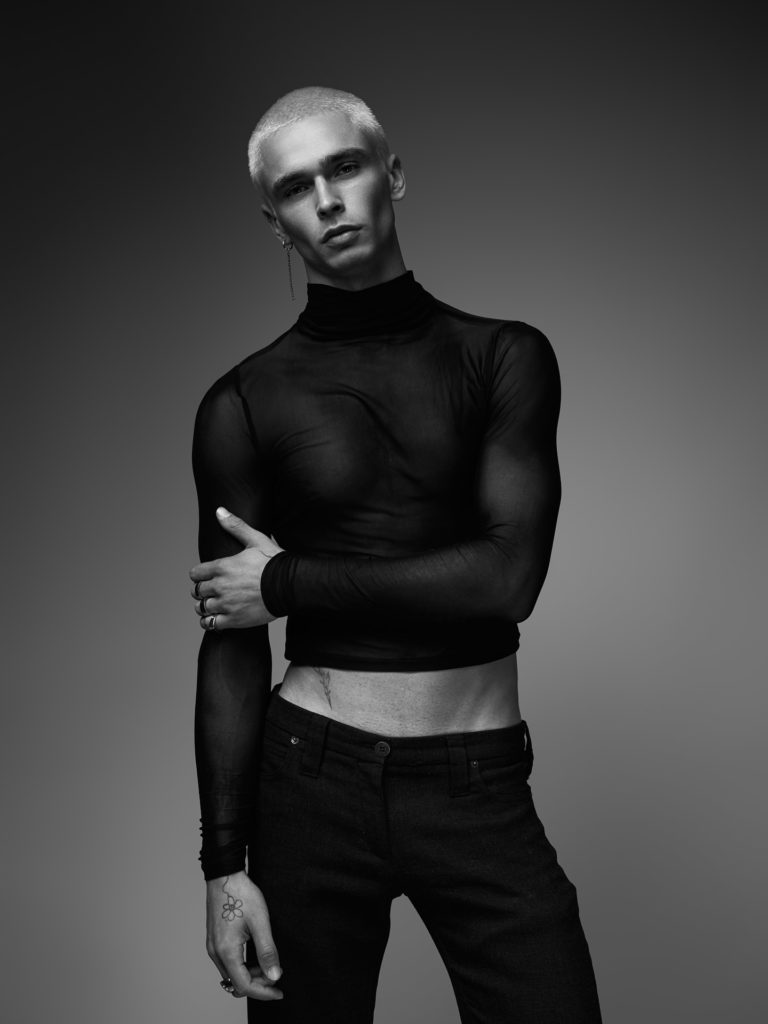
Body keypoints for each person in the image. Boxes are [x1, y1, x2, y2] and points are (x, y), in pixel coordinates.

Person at [189, 85, 602, 1023]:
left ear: (393, 175)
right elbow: (231, 639)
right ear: (275, 221)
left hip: (476, 781)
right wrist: (223, 865)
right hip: (309, 781)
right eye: (296, 188)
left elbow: (508, 579)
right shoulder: (241, 403)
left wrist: (287, 579)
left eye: (345, 167)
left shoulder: (504, 357)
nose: (328, 200)